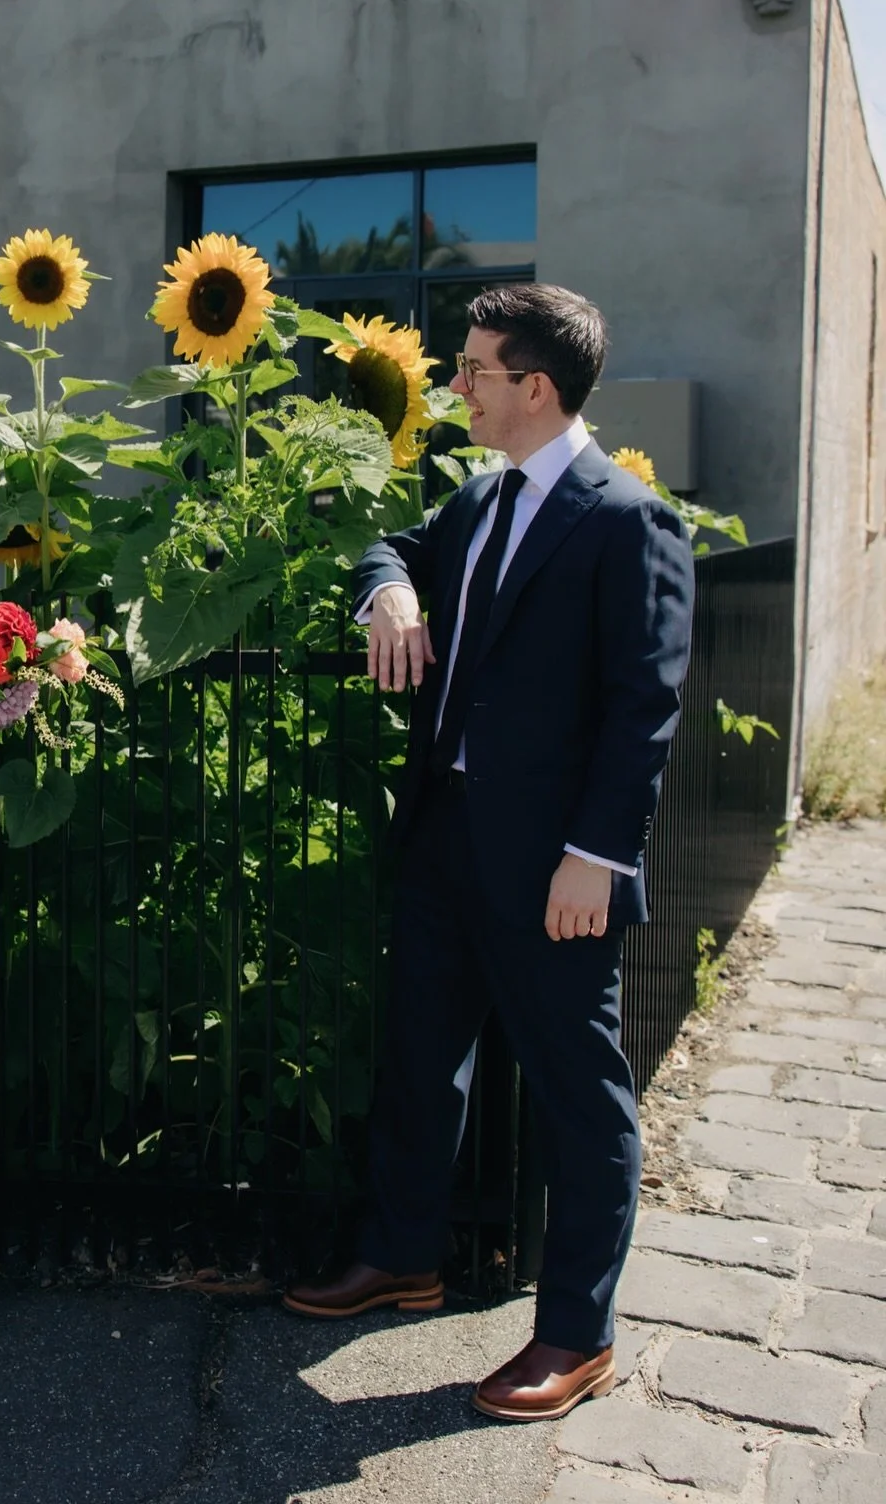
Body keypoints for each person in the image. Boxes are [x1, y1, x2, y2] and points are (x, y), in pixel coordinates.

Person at [284, 283, 695, 1424]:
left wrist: (595, 857)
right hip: (446, 839)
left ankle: (575, 1332)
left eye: (471, 372)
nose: (453, 388)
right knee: (421, 1057)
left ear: (535, 387)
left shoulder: (627, 520)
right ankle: (404, 1258)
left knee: (579, 1095)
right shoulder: (479, 497)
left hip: (557, 866)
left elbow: (642, 705)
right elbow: (386, 543)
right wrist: (392, 591)